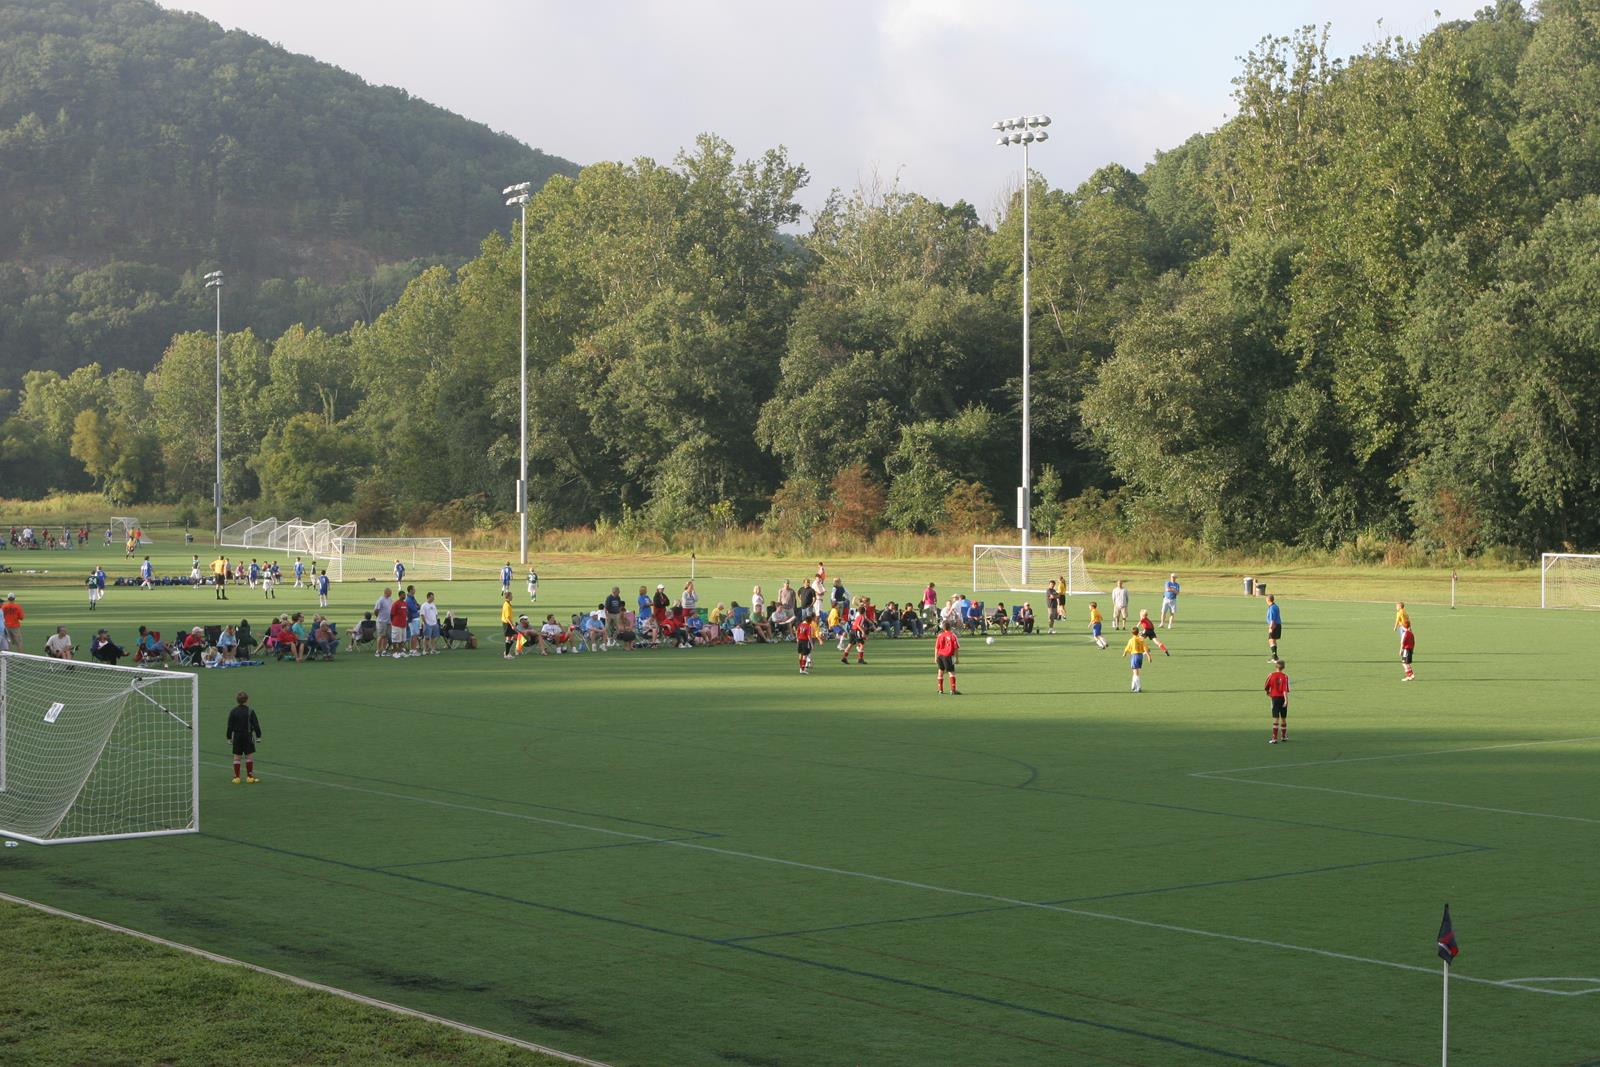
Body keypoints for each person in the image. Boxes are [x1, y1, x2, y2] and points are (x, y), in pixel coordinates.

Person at [226, 690, 261, 784]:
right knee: (249, 756)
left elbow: (230, 726)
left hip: (237, 736)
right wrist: (258, 736)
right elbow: (256, 724)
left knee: (237, 757)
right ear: (247, 700)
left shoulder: (233, 711)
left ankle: (237, 777)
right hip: (247, 736)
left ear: (237, 700)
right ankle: (249, 777)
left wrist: (229, 737)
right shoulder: (250, 711)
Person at [1265, 659, 1290, 743]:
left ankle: (1274, 738)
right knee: (1283, 718)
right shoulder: (1285, 676)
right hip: (1283, 698)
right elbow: (1285, 690)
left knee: (1275, 718)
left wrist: (1268, 693)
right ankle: (1283, 736)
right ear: (1284, 667)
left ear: (1275, 666)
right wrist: (1286, 701)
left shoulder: (1271, 675)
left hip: (1275, 698)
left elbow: (1266, 686)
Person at [934, 620, 961, 696]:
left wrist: (935, 657)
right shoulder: (953, 636)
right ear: (950, 627)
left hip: (940, 656)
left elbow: (936, 647)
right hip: (948, 656)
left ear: (943, 628)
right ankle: (953, 690)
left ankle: (940, 690)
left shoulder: (940, 635)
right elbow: (956, 648)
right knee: (951, 672)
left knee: (940, 671)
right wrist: (957, 659)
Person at [1123, 629, 1150, 693]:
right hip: (1140, 655)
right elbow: (1145, 648)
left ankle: (1138, 687)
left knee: (1136, 673)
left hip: (1134, 655)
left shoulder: (1131, 640)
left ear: (1132, 633)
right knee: (1135, 671)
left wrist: (1124, 653)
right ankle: (1133, 685)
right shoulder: (1141, 639)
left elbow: (1127, 647)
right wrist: (1149, 656)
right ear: (1138, 633)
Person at [373, 587, 394, 656]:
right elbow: (376, 610)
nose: (391, 593)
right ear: (386, 592)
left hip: (388, 621)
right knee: (381, 635)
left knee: (386, 636)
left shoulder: (390, 599)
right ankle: (378, 650)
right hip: (381, 621)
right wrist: (378, 617)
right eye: (390, 592)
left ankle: (384, 650)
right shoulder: (381, 600)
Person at [387, 593, 409, 660]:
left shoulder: (405, 603)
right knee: (395, 639)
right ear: (400, 595)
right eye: (403, 595)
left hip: (403, 624)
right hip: (396, 624)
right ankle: (394, 653)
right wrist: (393, 622)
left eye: (405, 595)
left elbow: (406, 613)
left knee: (402, 639)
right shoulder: (396, 603)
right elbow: (392, 614)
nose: (404, 596)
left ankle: (401, 651)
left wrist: (406, 622)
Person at [1265, 593, 1282, 661]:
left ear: (1268, 600)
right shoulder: (1274, 606)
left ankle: (1275, 657)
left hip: (1275, 625)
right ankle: (1275, 656)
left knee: (1271, 640)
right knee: (1272, 640)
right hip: (1276, 625)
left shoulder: (1272, 608)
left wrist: (1270, 628)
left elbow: (1272, 619)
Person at [501, 591, 516, 659]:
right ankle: (507, 654)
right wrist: (512, 625)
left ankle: (507, 652)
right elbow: (507, 617)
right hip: (507, 623)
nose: (512, 597)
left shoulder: (507, 603)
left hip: (507, 623)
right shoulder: (507, 605)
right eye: (511, 595)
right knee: (508, 638)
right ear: (508, 596)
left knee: (513, 636)